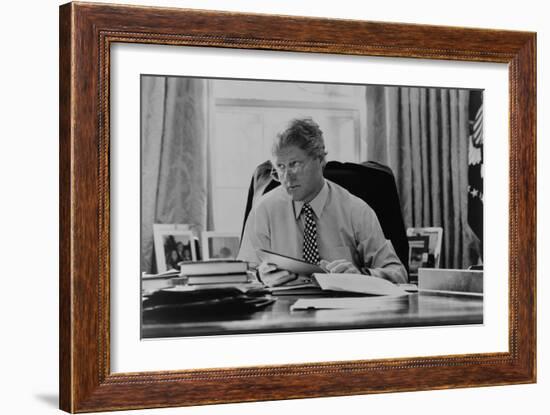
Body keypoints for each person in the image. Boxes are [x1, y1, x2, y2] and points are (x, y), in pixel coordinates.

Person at [237, 117, 407, 286]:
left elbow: (397, 273)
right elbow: (243, 275)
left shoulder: (356, 209)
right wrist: (260, 276)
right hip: (283, 309)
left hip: (342, 308)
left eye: (295, 164)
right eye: (280, 167)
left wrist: (361, 276)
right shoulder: (264, 210)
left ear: (320, 159)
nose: (287, 178)